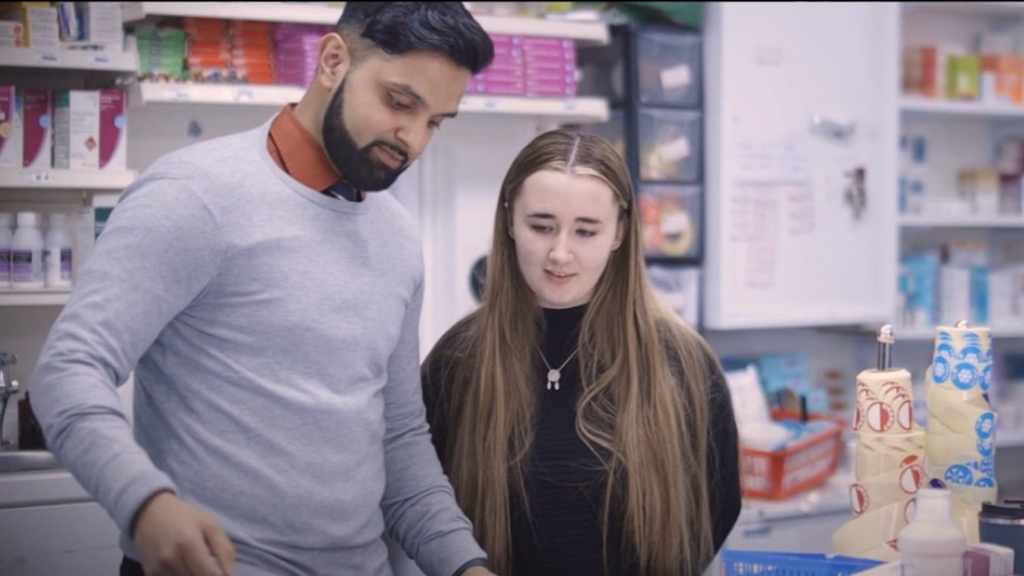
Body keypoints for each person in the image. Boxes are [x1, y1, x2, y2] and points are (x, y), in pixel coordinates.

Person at [31, 3, 497, 576]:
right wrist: (147, 503)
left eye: (437, 121)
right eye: (400, 103)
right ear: (332, 61)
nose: (415, 140)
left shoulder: (397, 236)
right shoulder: (194, 196)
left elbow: (398, 438)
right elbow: (68, 370)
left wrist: (464, 565)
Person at [421, 129, 742, 576]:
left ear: (620, 233)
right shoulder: (458, 360)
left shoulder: (683, 363)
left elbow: (715, 512)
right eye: (541, 226)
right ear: (510, 221)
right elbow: (419, 505)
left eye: (586, 231)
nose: (560, 253)